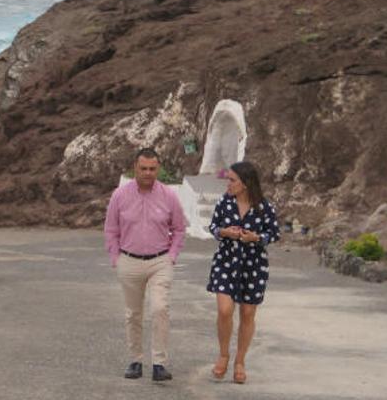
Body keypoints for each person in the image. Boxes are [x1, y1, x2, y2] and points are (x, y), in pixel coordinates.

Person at [104, 147, 186, 382]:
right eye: (144, 168)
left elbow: (179, 228)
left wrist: (171, 256)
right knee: (133, 314)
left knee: (160, 308)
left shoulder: (169, 195)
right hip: (128, 260)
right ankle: (135, 360)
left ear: (158, 168)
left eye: (152, 168)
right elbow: (111, 229)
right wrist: (116, 258)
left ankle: (159, 363)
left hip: (160, 261)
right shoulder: (120, 195)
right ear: (135, 168)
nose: (148, 173)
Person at [206, 161, 280, 384]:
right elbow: (213, 227)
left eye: (232, 180)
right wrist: (223, 232)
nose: (228, 183)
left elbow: (274, 234)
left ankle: (240, 361)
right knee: (225, 310)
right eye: (228, 179)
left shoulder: (264, 207)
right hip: (226, 260)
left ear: (246, 183)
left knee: (248, 314)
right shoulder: (224, 203)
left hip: (253, 264)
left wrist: (256, 238)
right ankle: (223, 354)